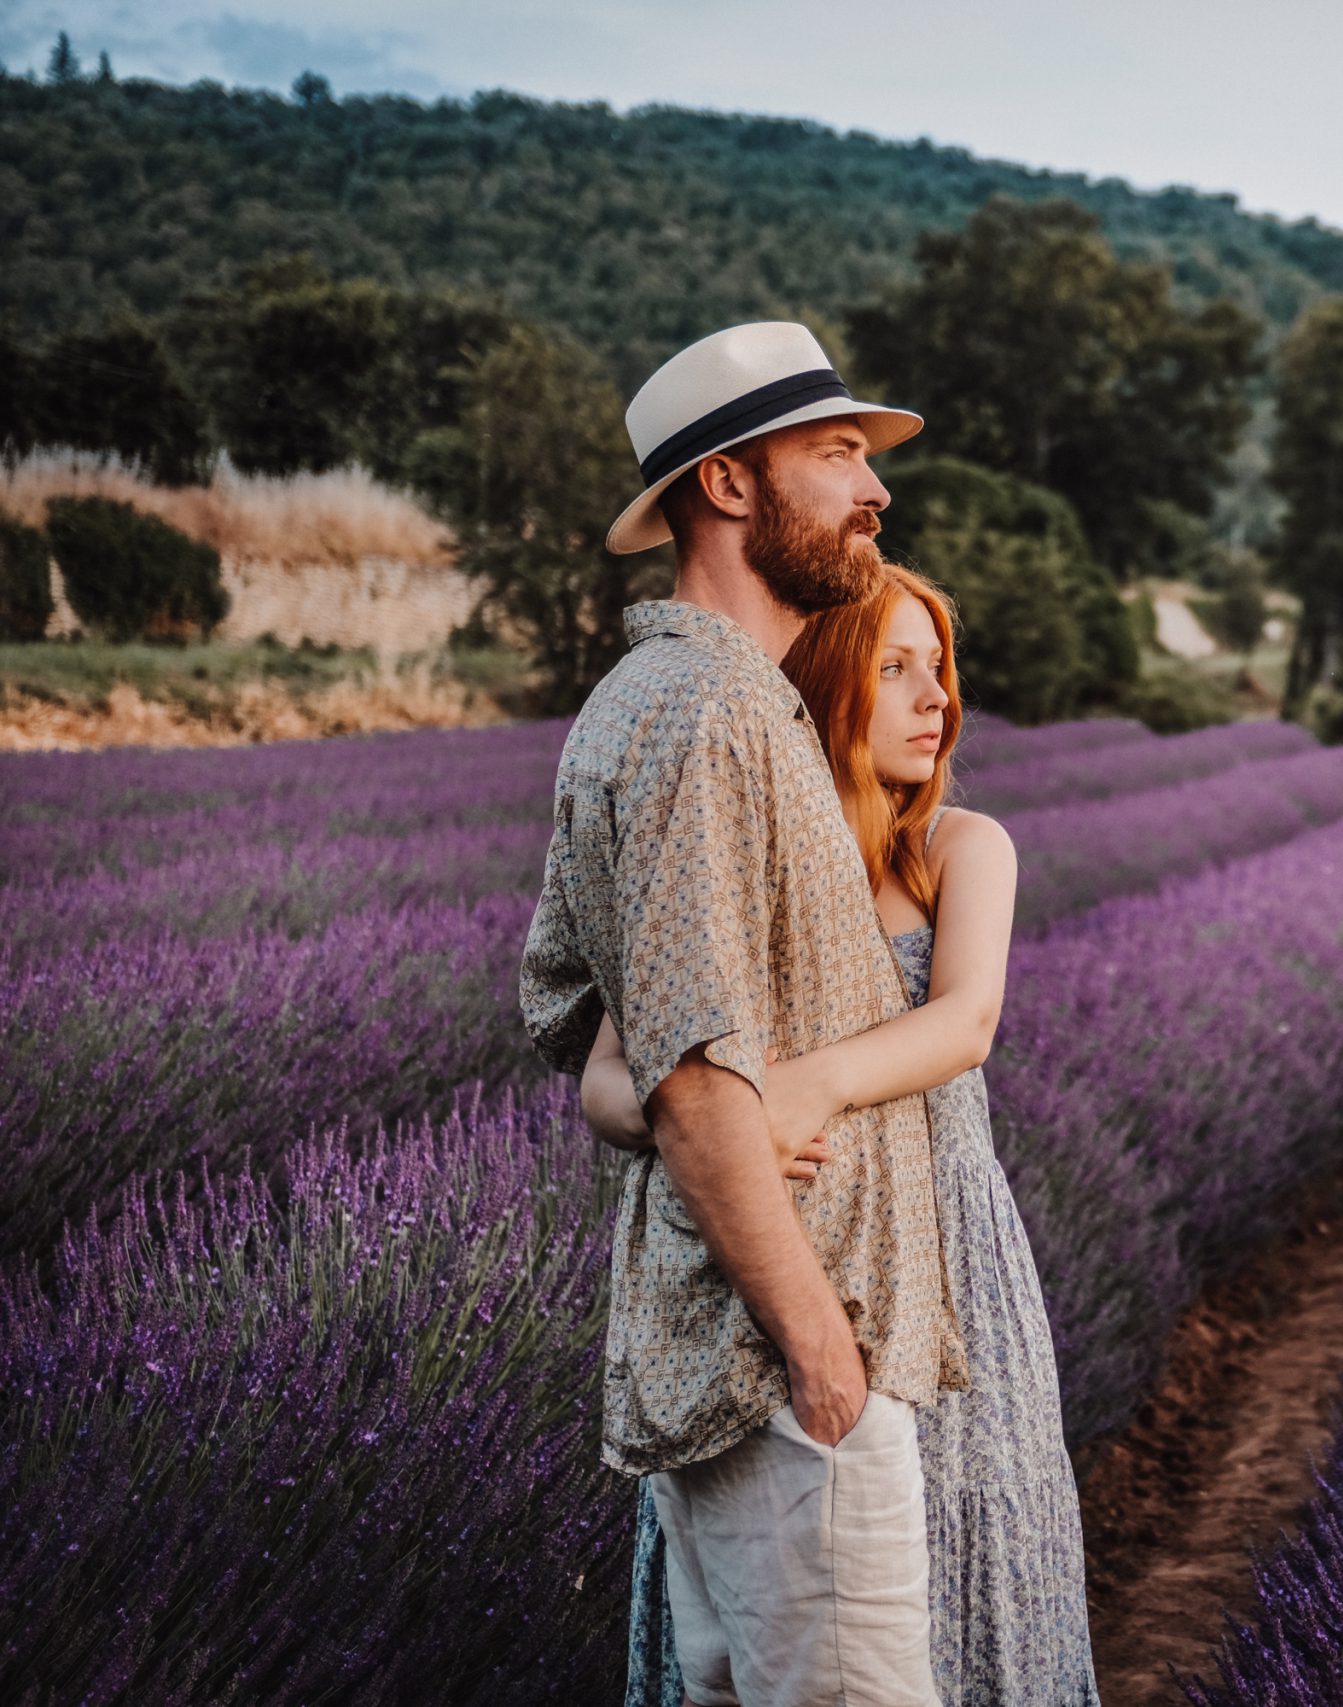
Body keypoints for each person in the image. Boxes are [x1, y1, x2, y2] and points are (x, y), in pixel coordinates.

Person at [520, 321, 963, 1707]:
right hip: (783, 1360)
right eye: (835, 455)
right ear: (728, 486)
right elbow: (695, 1074)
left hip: (736, 1358)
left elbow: (603, 1037)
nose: (873, 490)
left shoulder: (675, 705)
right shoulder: (707, 711)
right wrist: (825, 1356)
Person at [585, 566, 1103, 1707]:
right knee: (766, 1627)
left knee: (964, 1573)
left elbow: (963, 1024)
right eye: (894, 668)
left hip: (947, 1263)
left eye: (941, 671)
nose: (938, 701)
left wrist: (796, 1089)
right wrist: (703, 1126)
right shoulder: (734, 854)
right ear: (822, 682)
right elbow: (609, 1083)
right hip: (765, 1257)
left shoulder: (964, 848)